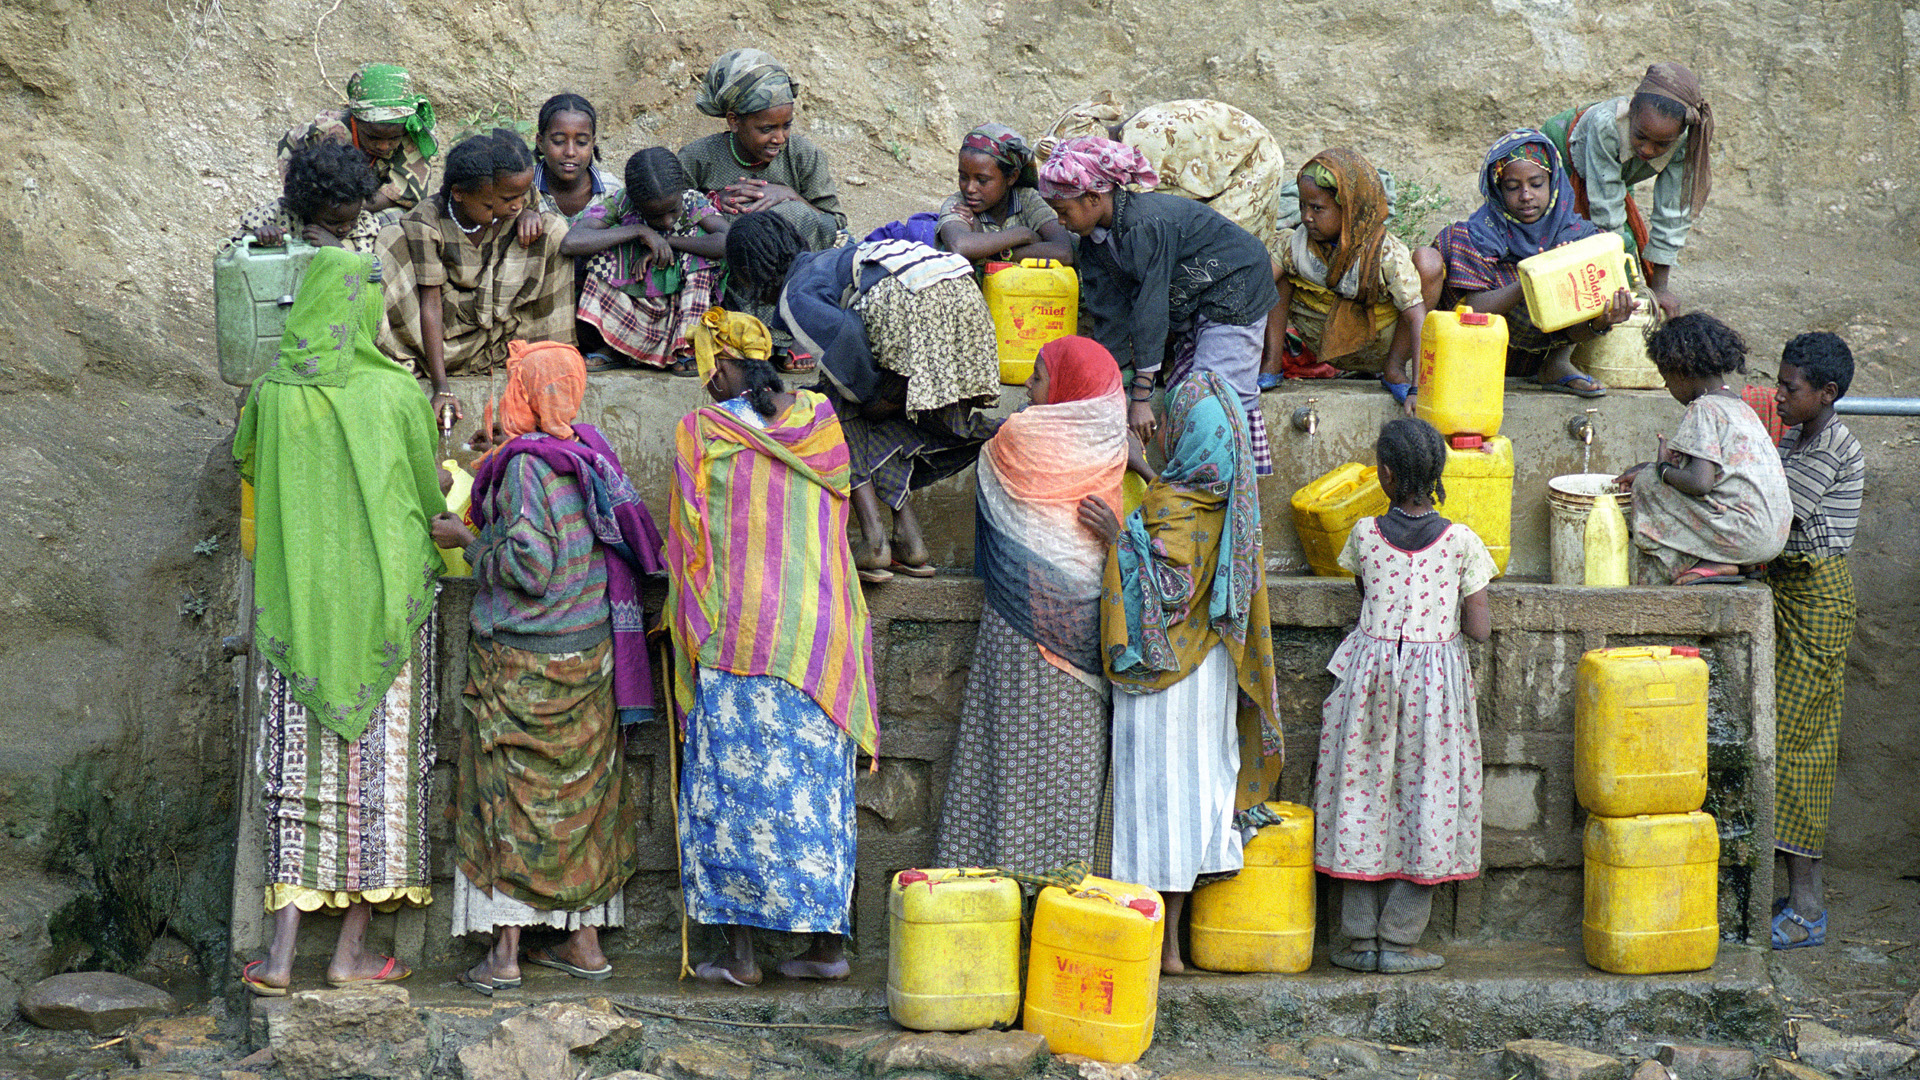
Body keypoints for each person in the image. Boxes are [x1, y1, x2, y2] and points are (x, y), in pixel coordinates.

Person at [233, 247, 445, 996]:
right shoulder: (396, 394)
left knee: (299, 783)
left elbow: (248, 468)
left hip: (300, 616)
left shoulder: (271, 394)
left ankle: (281, 959)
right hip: (388, 619)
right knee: (385, 785)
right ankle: (351, 954)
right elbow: (427, 496)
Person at [429, 341, 666, 995]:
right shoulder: (584, 452)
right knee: (582, 805)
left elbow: (528, 565)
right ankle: (584, 944)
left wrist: (468, 542)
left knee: (510, 801)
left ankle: (505, 955)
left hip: (524, 665)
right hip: (588, 657)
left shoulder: (527, 469)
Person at [665, 308, 878, 987]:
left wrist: (687, 622)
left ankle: (742, 958)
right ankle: (825, 949)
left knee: (733, 797)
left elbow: (688, 543)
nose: (704, 380)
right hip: (820, 638)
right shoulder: (820, 422)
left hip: (740, 640)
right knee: (815, 796)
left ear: (724, 366)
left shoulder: (702, 432)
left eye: (707, 366)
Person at [1083, 371, 1282, 974]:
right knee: (1195, 801)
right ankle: (1182, 940)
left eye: (1169, 423)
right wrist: (1148, 473)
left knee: (1151, 809)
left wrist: (1119, 538)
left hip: (1162, 682)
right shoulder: (1235, 510)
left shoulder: (1168, 507)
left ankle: (1159, 949)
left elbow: (1163, 590)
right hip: (1212, 672)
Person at [936, 336, 1127, 875]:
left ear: (1070, 388)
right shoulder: (1111, 440)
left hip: (1020, 632)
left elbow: (991, 457)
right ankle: (1064, 887)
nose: (1027, 385)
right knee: (1070, 765)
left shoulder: (1020, 434)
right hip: (1084, 633)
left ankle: (996, 879)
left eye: (1040, 376)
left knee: (1008, 761)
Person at [726, 212, 1000, 580]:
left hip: (912, 300)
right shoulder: (832, 259)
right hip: (964, 293)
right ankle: (910, 539)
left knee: (838, 404)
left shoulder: (796, 292)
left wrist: (869, 399)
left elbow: (846, 340)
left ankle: (874, 541)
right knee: (908, 411)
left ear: (750, 274)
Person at [1315, 418, 1495, 974]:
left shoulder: (1364, 535)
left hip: (1370, 680)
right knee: (1429, 804)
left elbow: (1364, 594)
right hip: (1435, 686)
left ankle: (1358, 940)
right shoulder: (1463, 541)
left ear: (1387, 475)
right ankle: (1399, 941)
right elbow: (1481, 628)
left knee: (1362, 798)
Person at [1038, 137, 1279, 473]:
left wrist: (1139, 400)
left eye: (1063, 212)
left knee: (1211, 401)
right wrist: (1110, 390)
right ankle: (1187, 488)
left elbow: (1150, 311)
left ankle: (1220, 487)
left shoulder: (1144, 225)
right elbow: (1111, 316)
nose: (1060, 222)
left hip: (1235, 289)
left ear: (1094, 198)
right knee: (1181, 400)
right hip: (1194, 302)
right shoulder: (1094, 242)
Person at [1767, 332, 1865, 949]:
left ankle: (1807, 909)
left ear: (1826, 394)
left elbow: (1777, 514)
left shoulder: (1832, 445)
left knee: (1798, 748)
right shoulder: (1796, 435)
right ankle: (1791, 895)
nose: (1778, 396)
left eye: (1789, 388)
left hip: (1817, 599)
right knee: (1779, 741)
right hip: (1788, 591)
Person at [376, 129, 574, 424]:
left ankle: (542, 359)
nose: (517, 205)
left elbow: (525, 200)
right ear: (459, 193)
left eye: (522, 196)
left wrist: (531, 212)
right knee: (391, 240)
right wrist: (442, 388)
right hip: (443, 334)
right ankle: (429, 367)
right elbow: (431, 304)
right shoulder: (428, 223)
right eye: (507, 199)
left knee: (554, 230)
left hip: (501, 331)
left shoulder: (513, 200)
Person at [1428, 130, 1633, 397]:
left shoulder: (1578, 237)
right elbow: (1473, 309)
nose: (1526, 195)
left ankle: (1556, 364)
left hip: (1539, 356)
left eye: (1536, 184)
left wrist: (1603, 319)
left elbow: (1580, 319)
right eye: (1512, 188)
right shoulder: (1476, 235)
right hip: (1478, 351)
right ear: (1498, 190)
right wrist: (1535, 277)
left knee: (1586, 272)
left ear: (1553, 182)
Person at [1616, 313, 1791, 585]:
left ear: (1682, 371)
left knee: (1647, 485)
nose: (1666, 386)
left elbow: (1699, 483)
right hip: (1772, 540)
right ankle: (1723, 563)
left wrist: (1661, 469)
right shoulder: (1740, 407)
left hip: (1743, 538)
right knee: (1653, 477)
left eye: (1666, 378)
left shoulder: (1703, 408)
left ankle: (1697, 563)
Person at [1542, 62, 1714, 319]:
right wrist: (1617, 288)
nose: (1647, 150)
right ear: (1631, 112)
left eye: (1661, 145)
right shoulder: (1607, 125)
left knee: (1625, 250)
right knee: (1570, 246)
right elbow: (1607, 213)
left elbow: (1673, 212)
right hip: (1565, 157)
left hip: (1617, 171)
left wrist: (1659, 288)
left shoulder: (1685, 141)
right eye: (1641, 136)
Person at [1264, 149, 1431, 406]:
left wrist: (1418, 391)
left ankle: (1394, 370)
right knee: (1277, 274)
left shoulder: (1384, 254)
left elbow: (1416, 315)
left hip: (1378, 343)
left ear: (1350, 210)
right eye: (1303, 206)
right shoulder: (1295, 245)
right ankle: (1272, 364)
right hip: (1317, 341)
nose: (1306, 216)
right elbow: (1258, 288)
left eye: (1317, 208)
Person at [1037, 95, 1285, 250]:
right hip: (1224, 161)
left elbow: (1142, 216)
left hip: (1253, 160)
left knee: (1223, 247)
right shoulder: (1126, 145)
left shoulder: (1141, 145)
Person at [569, 148, 730, 373]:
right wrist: (639, 231)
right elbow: (572, 242)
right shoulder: (622, 203)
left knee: (701, 245)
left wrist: (669, 242)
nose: (666, 221)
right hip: (636, 299)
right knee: (603, 251)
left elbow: (727, 241)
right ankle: (615, 346)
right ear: (636, 201)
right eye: (655, 216)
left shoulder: (693, 202)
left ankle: (687, 346)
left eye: (673, 211)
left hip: (682, 303)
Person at [277, 63, 437, 218]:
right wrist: (316, 205)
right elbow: (291, 150)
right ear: (356, 121)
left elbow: (407, 192)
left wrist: (348, 209)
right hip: (323, 209)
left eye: (394, 138)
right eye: (373, 137)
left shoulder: (413, 136)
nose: (383, 146)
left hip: (366, 211)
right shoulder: (326, 133)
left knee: (401, 219)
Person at [935, 123, 1073, 266]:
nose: (970, 188)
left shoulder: (1027, 199)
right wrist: (1024, 234)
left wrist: (993, 252)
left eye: (982, 180)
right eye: (963, 177)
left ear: (1011, 177)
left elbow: (1064, 252)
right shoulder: (958, 204)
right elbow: (959, 246)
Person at [231, 140, 383, 254]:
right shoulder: (273, 217)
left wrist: (338, 250)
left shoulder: (363, 227)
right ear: (305, 208)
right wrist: (259, 241)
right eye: (332, 222)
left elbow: (368, 274)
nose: (345, 228)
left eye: (352, 219)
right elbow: (228, 256)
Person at [532, 93, 623, 225]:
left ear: (592, 143)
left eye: (581, 142)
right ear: (540, 142)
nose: (570, 152)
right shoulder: (522, 189)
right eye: (559, 141)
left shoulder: (612, 191)